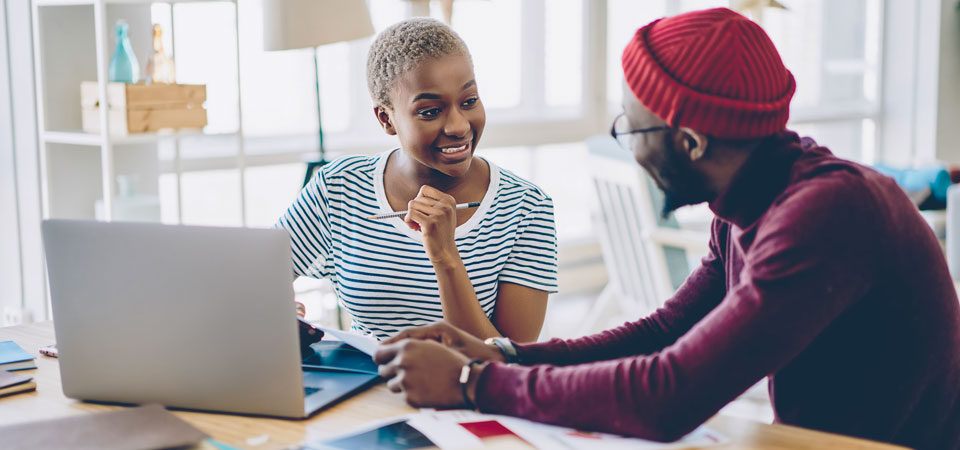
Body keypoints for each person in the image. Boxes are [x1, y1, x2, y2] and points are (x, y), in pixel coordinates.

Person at [372, 8, 960, 449]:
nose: (626, 144)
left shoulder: (825, 215)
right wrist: (505, 357)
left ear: (691, 141)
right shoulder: (755, 195)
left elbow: (671, 393)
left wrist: (475, 383)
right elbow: (666, 330)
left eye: (633, 128)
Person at [276, 18, 558, 342]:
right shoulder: (338, 189)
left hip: (468, 393)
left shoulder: (526, 208)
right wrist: (271, 310)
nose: (458, 126)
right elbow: (251, 281)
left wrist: (446, 257)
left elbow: (512, 365)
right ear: (386, 118)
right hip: (365, 391)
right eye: (429, 111)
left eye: (468, 102)